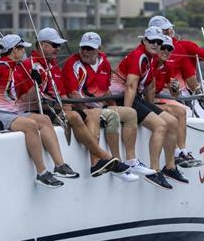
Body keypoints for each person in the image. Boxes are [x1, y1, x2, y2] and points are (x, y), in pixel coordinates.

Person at [0, 34, 78, 188]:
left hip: (11, 113)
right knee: (30, 125)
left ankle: (59, 165)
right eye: (21, 48)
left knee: (44, 120)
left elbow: (25, 99)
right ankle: (42, 173)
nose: (24, 52)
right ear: (14, 50)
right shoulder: (0, 65)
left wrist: (35, 82)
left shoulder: (17, 70)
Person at [19, 27, 120, 178]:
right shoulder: (28, 66)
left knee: (81, 115)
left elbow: (63, 94)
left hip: (54, 109)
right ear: (42, 45)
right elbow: (22, 101)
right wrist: (36, 85)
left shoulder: (53, 66)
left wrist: (65, 109)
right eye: (54, 45)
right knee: (77, 116)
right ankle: (103, 156)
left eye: (59, 45)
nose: (58, 49)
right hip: (37, 112)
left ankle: (100, 160)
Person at [63, 32, 156, 183]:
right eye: (83, 48)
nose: (85, 51)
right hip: (84, 107)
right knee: (111, 117)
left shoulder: (104, 62)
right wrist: (99, 108)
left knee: (130, 113)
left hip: (99, 106)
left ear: (98, 49)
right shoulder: (73, 64)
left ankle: (131, 161)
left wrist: (111, 105)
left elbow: (105, 89)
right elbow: (73, 94)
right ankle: (116, 163)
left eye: (90, 48)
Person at [110, 26, 187, 189]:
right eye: (152, 41)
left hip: (134, 97)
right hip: (120, 98)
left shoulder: (149, 57)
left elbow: (149, 87)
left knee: (172, 122)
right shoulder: (140, 56)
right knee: (160, 125)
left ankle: (170, 167)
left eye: (159, 42)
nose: (156, 44)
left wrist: (152, 107)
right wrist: (127, 112)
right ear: (144, 40)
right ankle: (154, 171)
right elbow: (130, 85)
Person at [148, 15, 204, 95]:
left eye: (169, 28)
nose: (169, 31)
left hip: (172, 93)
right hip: (173, 93)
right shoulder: (180, 48)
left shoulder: (184, 46)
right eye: (165, 29)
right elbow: (190, 76)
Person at [152, 35, 203, 168]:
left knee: (181, 111)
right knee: (169, 115)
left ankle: (182, 151)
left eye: (170, 49)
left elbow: (174, 95)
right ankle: (172, 157)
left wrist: (174, 89)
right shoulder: (149, 63)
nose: (166, 51)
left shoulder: (167, 66)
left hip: (154, 100)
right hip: (144, 100)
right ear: (156, 47)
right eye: (163, 48)